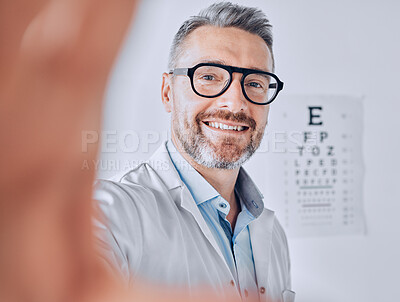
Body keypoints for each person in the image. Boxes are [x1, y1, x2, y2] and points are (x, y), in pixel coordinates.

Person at [95, 2, 295, 302]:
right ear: (167, 92)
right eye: (209, 77)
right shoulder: (111, 214)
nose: (235, 104)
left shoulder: (273, 234)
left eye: (254, 83)